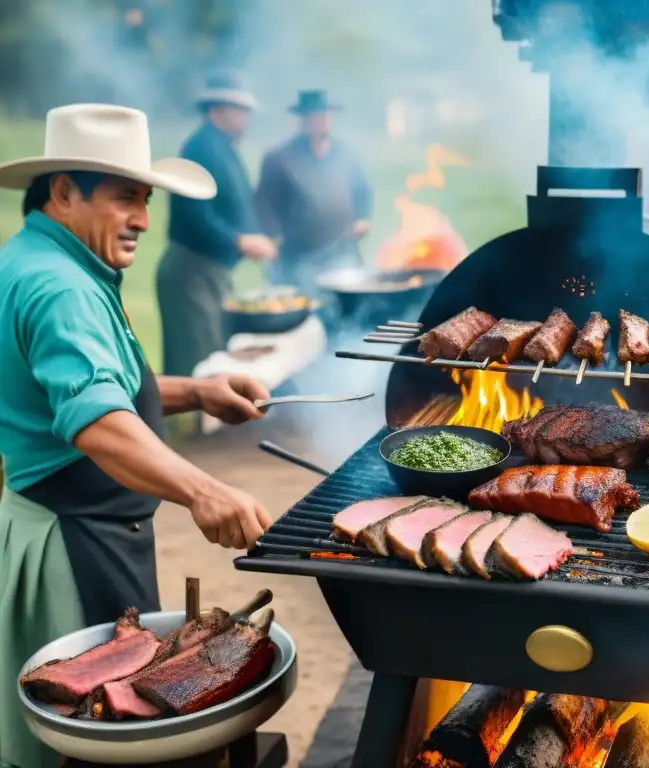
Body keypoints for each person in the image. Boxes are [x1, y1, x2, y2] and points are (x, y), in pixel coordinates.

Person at [0, 103, 275, 768]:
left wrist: (195, 390)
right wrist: (204, 490)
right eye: (125, 198)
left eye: (146, 201)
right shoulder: (59, 286)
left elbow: (76, 389)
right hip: (74, 546)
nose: (144, 221)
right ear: (63, 191)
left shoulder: (39, 258)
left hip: (75, 528)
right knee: (98, 741)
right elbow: (95, 422)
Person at [156, 70, 277, 377]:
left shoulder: (224, 147)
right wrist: (241, 241)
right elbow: (196, 215)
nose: (247, 118)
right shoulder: (199, 148)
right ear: (219, 108)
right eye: (242, 110)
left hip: (211, 273)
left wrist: (261, 236)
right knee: (197, 364)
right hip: (191, 273)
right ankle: (185, 427)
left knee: (212, 354)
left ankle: (202, 425)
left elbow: (238, 204)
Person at [254, 89, 372, 298]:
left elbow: (362, 190)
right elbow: (264, 204)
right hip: (300, 257)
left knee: (345, 310)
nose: (320, 121)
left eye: (324, 115)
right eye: (314, 116)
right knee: (309, 313)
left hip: (342, 253)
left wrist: (363, 217)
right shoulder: (280, 157)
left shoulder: (346, 154)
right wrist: (273, 236)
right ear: (302, 119)